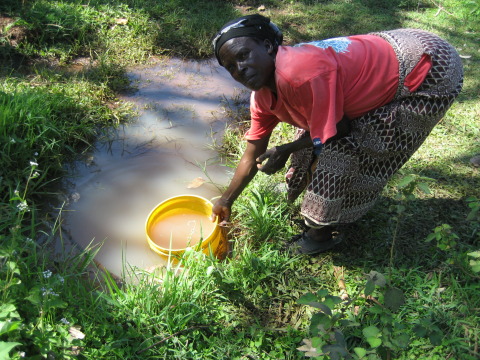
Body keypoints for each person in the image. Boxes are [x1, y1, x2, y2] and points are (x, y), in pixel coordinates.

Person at [209, 14, 463, 254]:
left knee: (349, 147)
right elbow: (252, 154)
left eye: (243, 55)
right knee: (313, 134)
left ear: (267, 46)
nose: (240, 69)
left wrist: (286, 150)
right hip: (391, 50)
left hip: (429, 66)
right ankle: (307, 193)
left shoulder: (300, 73)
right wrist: (226, 200)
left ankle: (320, 234)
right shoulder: (263, 98)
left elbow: (339, 130)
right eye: (231, 67)